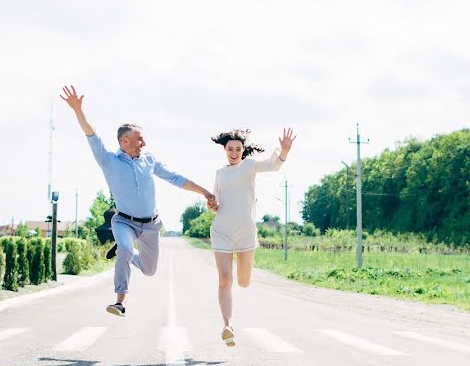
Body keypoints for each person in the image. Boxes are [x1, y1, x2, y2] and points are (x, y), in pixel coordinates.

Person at [60, 85, 217, 316]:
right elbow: (91, 134)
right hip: (124, 222)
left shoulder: (149, 160)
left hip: (151, 225)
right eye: (140, 139)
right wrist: (77, 110)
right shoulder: (108, 160)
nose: (144, 143)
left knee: (149, 269)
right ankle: (119, 301)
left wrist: (204, 192)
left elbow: (176, 178)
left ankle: (125, 251)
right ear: (125, 141)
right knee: (125, 247)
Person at [208, 127, 296, 346]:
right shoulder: (220, 173)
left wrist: (284, 150)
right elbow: (216, 203)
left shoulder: (249, 166)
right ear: (225, 149)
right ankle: (227, 325)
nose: (234, 152)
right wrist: (212, 204)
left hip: (245, 232)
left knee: (244, 282)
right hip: (221, 231)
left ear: (243, 150)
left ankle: (240, 289)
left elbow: (274, 165)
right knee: (224, 279)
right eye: (230, 149)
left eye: (238, 149)